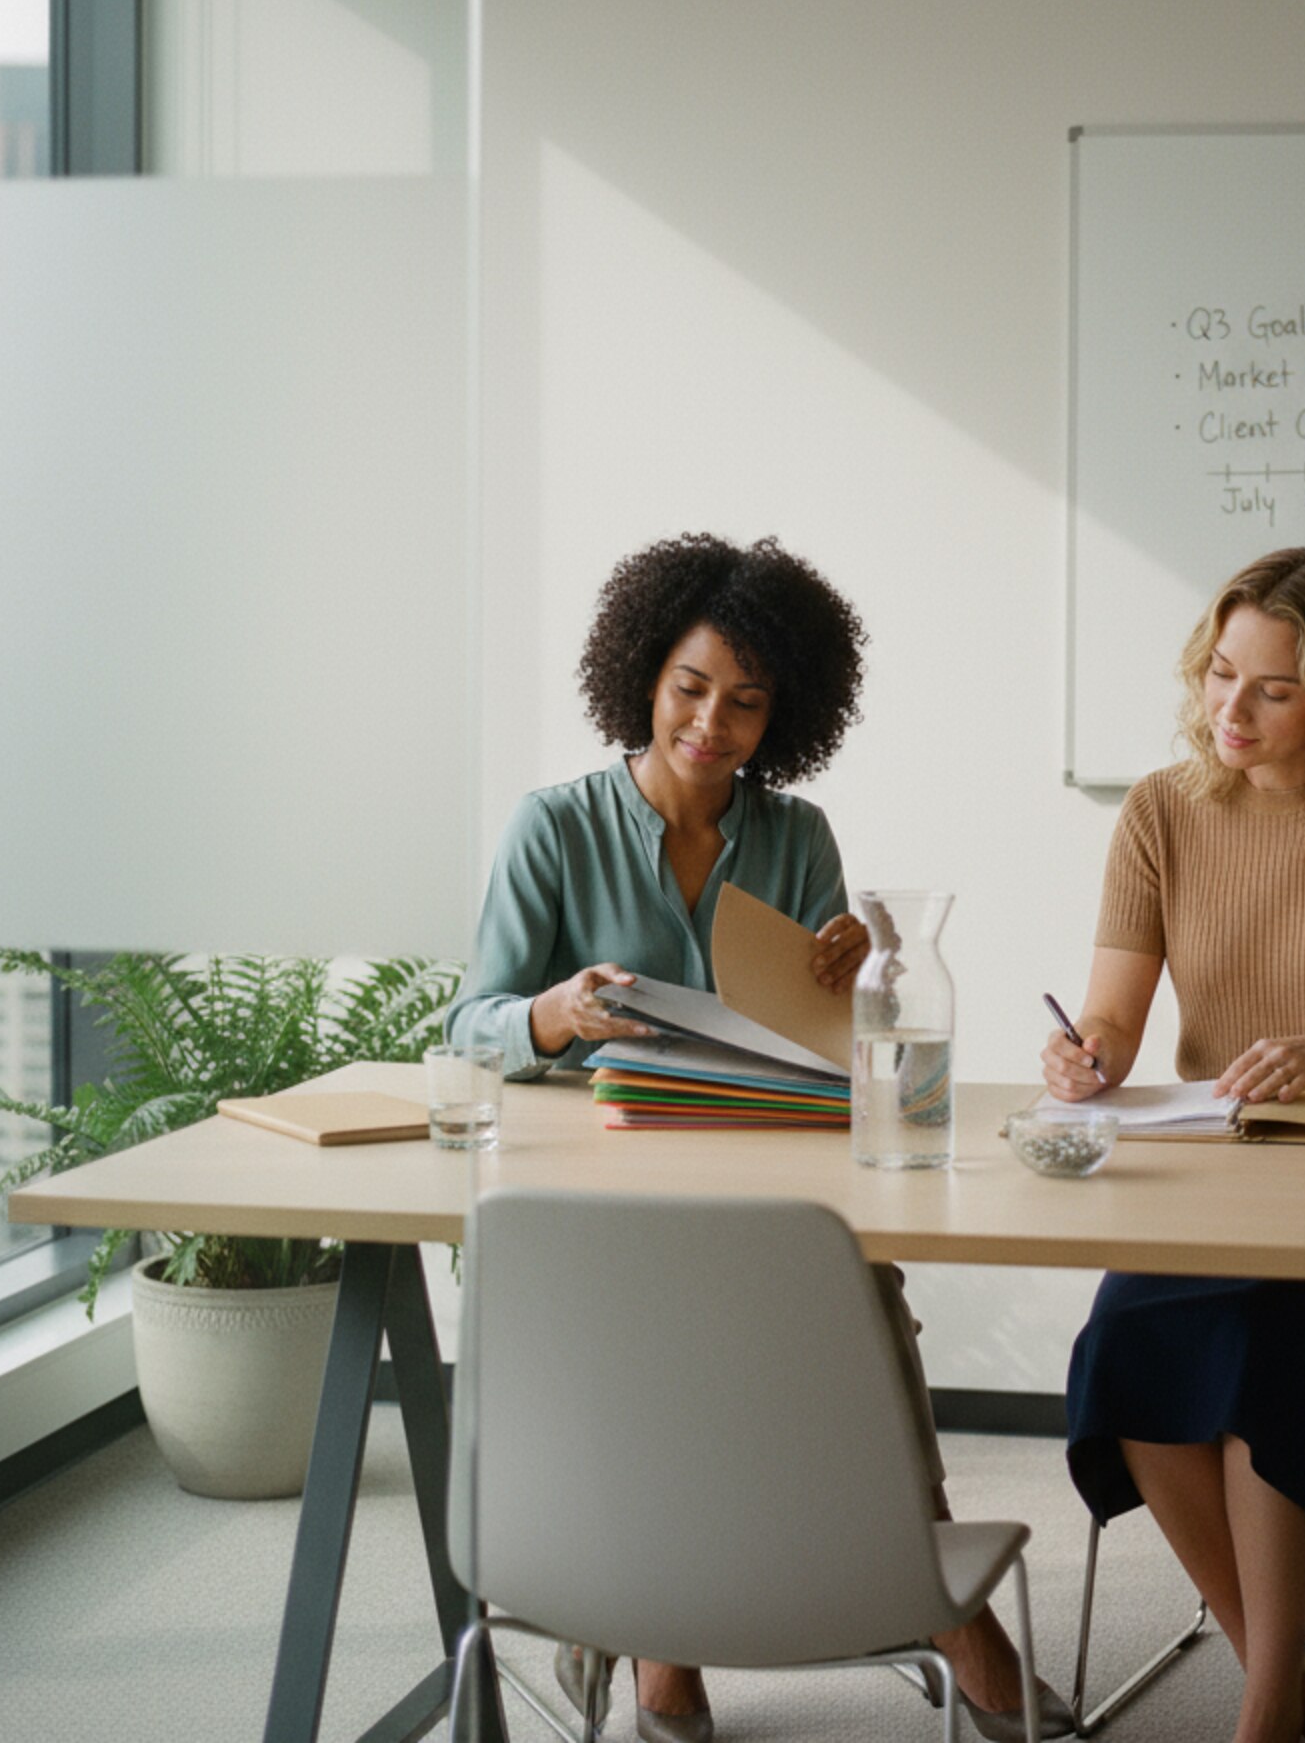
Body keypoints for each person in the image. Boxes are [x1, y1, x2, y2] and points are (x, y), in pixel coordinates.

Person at [451, 532, 1071, 1743]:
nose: (711, 722)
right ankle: (661, 1639)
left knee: (853, 1282)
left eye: (745, 701)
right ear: (641, 676)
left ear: (782, 712)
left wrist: (853, 971)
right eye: (690, 688)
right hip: (608, 1190)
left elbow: (828, 1052)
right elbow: (469, 1023)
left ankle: (931, 1596)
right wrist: (556, 1009)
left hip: (762, 1177)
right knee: (653, 1316)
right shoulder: (551, 828)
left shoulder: (798, 838)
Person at [1040, 547, 1305, 1743]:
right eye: (1221, 673)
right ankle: (1296, 1682)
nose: (1230, 708)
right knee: (1119, 1353)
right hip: (1216, 1168)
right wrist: (1091, 1055)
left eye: (1271, 688)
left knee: (1260, 1356)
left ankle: (1268, 1708)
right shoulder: (1160, 809)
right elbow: (1111, 1013)